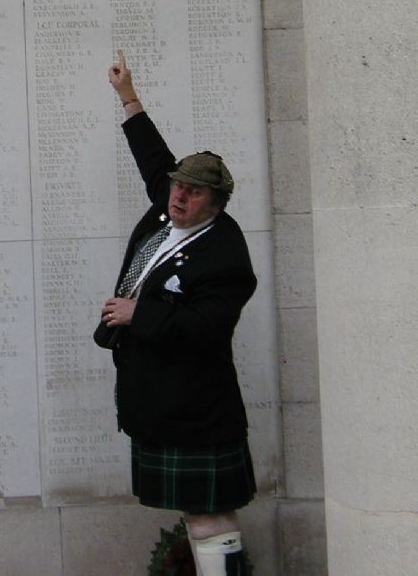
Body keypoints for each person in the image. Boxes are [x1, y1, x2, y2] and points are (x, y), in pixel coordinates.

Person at [99, 50, 257, 576]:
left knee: (210, 515)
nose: (179, 195)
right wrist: (128, 96)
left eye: (193, 191)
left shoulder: (225, 253)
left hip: (195, 405)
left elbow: (206, 329)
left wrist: (136, 314)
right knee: (197, 514)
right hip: (160, 396)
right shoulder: (165, 207)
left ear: (217, 203)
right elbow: (152, 156)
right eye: (177, 185)